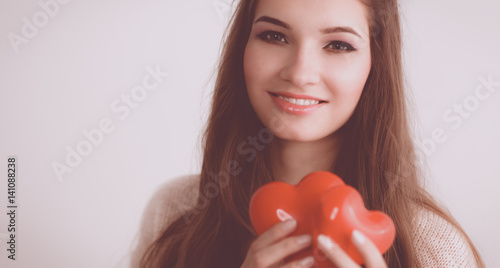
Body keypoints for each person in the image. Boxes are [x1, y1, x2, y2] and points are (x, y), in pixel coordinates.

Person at [129, 0, 485, 267]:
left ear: (374, 63)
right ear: (242, 49)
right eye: (274, 36)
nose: (300, 74)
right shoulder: (175, 213)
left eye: (339, 45)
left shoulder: (436, 249)